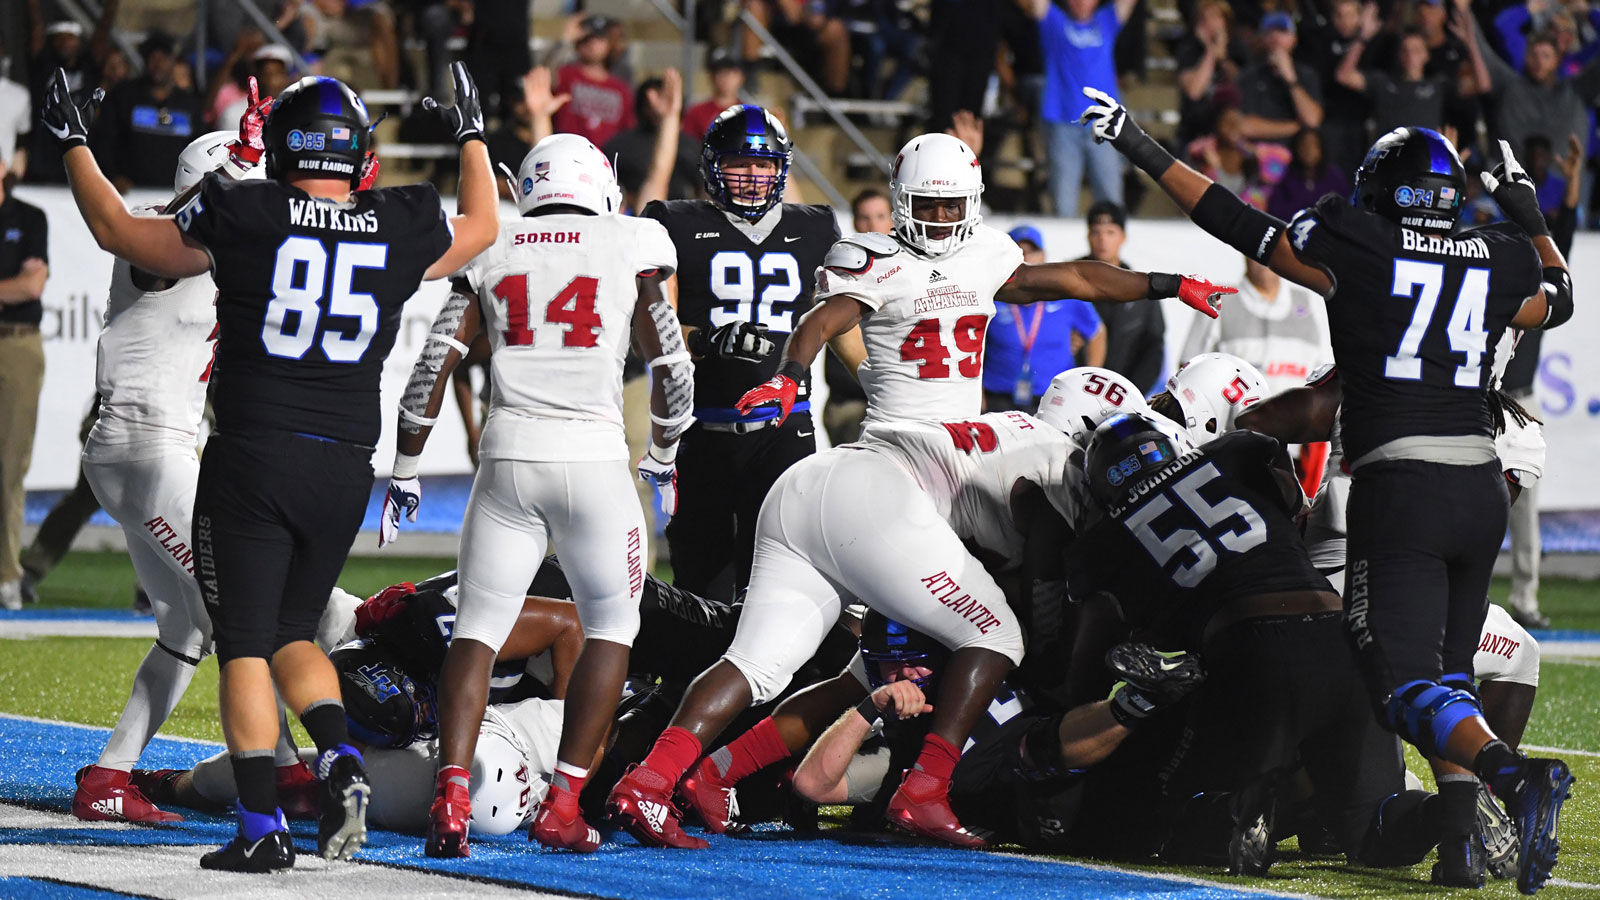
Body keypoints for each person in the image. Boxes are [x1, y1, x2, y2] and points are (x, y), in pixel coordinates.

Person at [1080, 85, 1574, 893]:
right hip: (1480, 484)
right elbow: (1558, 300)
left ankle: (1511, 777)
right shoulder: (1496, 251)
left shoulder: (1360, 243)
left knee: (1403, 684)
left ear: (1380, 192)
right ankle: (1456, 833)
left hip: (1400, 483)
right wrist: (1528, 212)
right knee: (1452, 670)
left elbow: (1238, 223)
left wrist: (1140, 145)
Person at [42, 62, 498, 870]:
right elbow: (483, 224)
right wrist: (471, 133)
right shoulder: (397, 219)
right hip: (342, 469)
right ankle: (338, 758)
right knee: (295, 631)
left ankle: (262, 830)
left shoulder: (245, 211)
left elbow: (116, 228)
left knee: (245, 644)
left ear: (281, 151)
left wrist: (74, 140)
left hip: (252, 457)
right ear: (359, 158)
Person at [378, 132, 689, 857]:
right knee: (613, 627)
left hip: (508, 455)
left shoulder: (497, 242)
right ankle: (566, 803)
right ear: (598, 182)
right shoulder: (630, 238)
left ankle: (451, 796)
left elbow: (433, 365)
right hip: (593, 460)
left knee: (478, 629)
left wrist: (405, 467)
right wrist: (666, 455)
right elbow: (671, 364)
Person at [606, 409, 1084, 849]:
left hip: (811, 483)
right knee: (997, 635)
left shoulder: (1018, 435)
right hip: (878, 503)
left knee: (757, 665)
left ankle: (661, 780)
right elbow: (1038, 564)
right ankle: (926, 788)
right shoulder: (1065, 465)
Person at [1069, 412, 1444, 876]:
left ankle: (1244, 807)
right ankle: (1453, 813)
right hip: (1343, 638)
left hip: (1251, 652)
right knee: (1374, 833)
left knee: (1176, 823)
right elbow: (1281, 480)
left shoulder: (1102, 544)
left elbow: (1085, 676)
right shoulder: (1235, 452)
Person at [732, 134, 1230, 441]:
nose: (943, 217)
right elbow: (822, 321)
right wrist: (789, 374)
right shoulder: (876, 259)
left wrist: (1170, 283)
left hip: (966, 436)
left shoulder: (984, 253)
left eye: (953, 205)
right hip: (894, 437)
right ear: (903, 201)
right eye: (928, 204)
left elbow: (1077, 276)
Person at [68, 122, 283, 824]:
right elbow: (146, 241)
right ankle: (280, 772)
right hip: (145, 449)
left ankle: (109, 775)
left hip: (149, 451)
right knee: (241, 610)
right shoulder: (166, 234)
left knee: (187, 627)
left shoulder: (206, 236)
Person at [641, 106, 842, 601]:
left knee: (781, 580)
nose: (753, 176)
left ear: (782, 168)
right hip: (702, 428)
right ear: (712, 165)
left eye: (764, 165)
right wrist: (708, 340)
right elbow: (648, 327)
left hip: (784, 429)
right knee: (700, 581)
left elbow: (841, 330)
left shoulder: (816, 228)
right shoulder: (674, 222)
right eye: (740, 164)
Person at [1020, 0, 1138, 216]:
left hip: (1104, 124)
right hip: (1063, 124)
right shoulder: (1054, 21)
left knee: (1112, 201)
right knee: (1062, 204)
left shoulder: (1106, 21)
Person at [982, 225, 1105, 415]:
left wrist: (1087, 384)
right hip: (997, 397)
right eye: (1019, 251)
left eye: (1032, 251)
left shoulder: (1064, 295)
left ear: (1044, 256)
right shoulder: (990, 295)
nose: (1025, 258)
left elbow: (1096, 332)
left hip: (1053, 400)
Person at [0, 159, 48, 613]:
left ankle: (5, 575)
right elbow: (18, 284)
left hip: (16, 346)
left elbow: (32, 286)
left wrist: (18, 286)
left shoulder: (29, 217)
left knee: (9, 466)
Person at [1181, 255, 1332, 398]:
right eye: (1256, 248)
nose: (1263, 258)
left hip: (1300, 422)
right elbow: (1187, 372)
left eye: (1272, 248)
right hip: (1236, 424)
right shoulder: (1217, 302)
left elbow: (1328, 374)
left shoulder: (1311, 303)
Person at [88, 31, 202, 192]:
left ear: (173, 61)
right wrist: (113, 176)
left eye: (163, 58)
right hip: (130, 195)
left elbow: (199, 149)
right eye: (152, 58)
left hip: (175, 196)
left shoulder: (190, 104)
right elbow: (105, 142)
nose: (158, 65)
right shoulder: (122, 96)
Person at [1076, 201, 1167, 394]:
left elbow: (1154, 347)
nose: (1103, 240)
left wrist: (1131, 395)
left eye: (1110, 233)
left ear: (1123, 237)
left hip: (1124, 395)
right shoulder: (1069, 283)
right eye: (1096, 232)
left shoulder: (1142, 288)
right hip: (1072, 392)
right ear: (1088, 236)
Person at [552, 16, 634, 153]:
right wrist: (565, 41)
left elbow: (628, 130)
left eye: (600, 39)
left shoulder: (621, 89)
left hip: (605, 160)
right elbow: (541, 76)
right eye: (586, 39)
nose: (592, 44)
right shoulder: (566, 75)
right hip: (567, 154)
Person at [1237, 12, 1323, 143]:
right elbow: (1245, 126)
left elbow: (1312, 120)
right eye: (1269, 32)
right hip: (1260, 153)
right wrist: (1295, 127)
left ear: (1294, 39)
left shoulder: (1307, 75)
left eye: (1282, 31)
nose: (1275, 37)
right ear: (1261, 38)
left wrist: (1291, 80)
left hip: (1297, 156)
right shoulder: (1249, 75)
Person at [682, 49, 743, 141]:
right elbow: (688, 148)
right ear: (711, 77)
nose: (724, 78)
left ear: (740, 76)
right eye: (719, 73)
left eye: (728, 72)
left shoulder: (749, 113)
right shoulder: (696, 112)